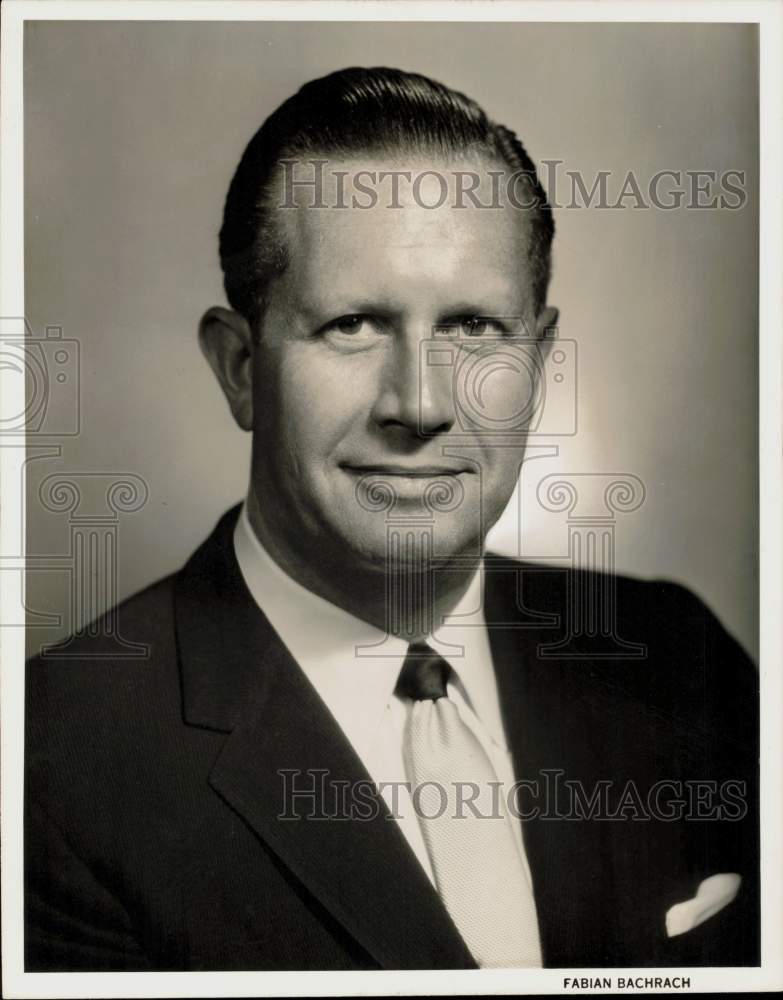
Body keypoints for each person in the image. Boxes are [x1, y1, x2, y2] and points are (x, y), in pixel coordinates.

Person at [25, 66, 759, 972]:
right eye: (353, 325)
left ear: (539, 362)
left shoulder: (676, 658)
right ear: (240, 368)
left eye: (474, 329)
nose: (420, 404)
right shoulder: (52, 768)